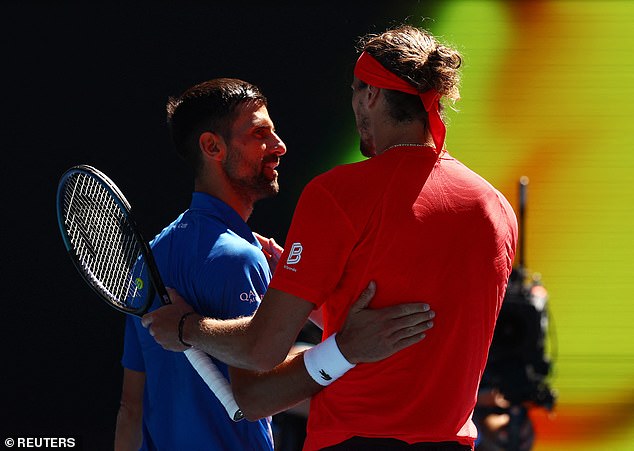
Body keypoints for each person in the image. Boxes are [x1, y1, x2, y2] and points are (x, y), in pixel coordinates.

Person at [144, 24, 518, 451]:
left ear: (371, 95)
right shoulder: (496, 209)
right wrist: (320, 292)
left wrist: (187, 328)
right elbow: (418, 324)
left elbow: (260, 351)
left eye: (355, 92)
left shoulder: (335, 195)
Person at [116, 77, 434, 450]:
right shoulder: (240, 259)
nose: (279, 146)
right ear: (212, 147)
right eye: (259, 134)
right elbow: (263, 390)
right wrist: (348, 351)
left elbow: (130, 408)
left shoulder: (151, 255)